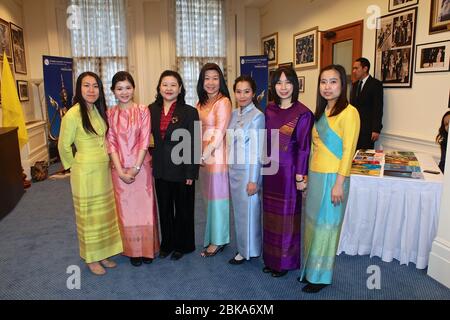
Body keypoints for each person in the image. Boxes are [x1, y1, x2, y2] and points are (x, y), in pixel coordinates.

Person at [299, 64, 360, 293]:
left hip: (335, 178)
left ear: (342, 85)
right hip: (316, 177)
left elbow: (348, 151)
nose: (327, 86)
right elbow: (314, 149)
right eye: (323, 82)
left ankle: (321, 277)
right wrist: (306, 178)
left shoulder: (350, 112)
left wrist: (339, 183)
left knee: (327, 227)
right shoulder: (321, 112)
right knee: (313, 225)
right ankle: (309, 269)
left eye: (333, 81)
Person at [58, 72, 123, 275]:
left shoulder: (97, 110)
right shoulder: (73, 114)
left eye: (95, 86)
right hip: (85, 172)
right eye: (86, 86)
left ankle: (103, 253)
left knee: (103, 214)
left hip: (102, 171)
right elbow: (63, 145)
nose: (91, 90)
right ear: (79, 89)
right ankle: (90, 258)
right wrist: (72, 166)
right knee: (88, 216)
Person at [262, 67, 314, 277]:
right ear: (273, 86)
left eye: (288, 82)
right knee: (270, 216)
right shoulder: (269, 110)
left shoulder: (303, 113)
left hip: (289, 172)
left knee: (287, 218)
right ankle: (271, 259)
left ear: (295, 85)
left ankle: (285, 262)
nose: (283, 87)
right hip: (269, 170)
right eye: (278, 83)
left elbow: (304, 148)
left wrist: (300, 176)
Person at [106, 71, 160, 267]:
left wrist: (136, 168)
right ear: (113, 91)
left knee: (145, 208)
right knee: (126, 210)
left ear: (134, 89)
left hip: (141, 167)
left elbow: (144, 140)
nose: (124, 92)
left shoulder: (142, 110)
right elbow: (110, 142)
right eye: (119, 88)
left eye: (128, 88)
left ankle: (147, 249)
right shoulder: (110, 113)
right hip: (119, 168)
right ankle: (133, 251)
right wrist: (120, 171)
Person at [149, 70, 200, 261]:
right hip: (161, 169)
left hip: (182, 169)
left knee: (184, 210)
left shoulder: (189, 112)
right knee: (164, 208)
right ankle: (167, 243)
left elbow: (194, 143)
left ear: (180, 88)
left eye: (173, 85)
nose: (168, 88)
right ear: (159, 87)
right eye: (165, 84)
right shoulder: (151, 110)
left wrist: (191, 172)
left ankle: (183, 245)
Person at [227, 75, 265, 265]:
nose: (242, 96)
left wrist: (253, 180)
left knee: (249, 212)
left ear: (253, 93)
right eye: (238, 91)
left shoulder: (257, 116)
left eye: (247, 91)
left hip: (248, 173)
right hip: (234, 170)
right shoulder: (234, 114)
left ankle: (249, 250)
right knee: (240, 214)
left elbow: (257, 152)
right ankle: (243, 247)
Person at [196, 63, 232, 257]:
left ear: (221, 81)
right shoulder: (200, 103)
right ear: (202, 81)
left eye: (215, 78)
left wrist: (203, 154)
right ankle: (216, 236)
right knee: (208, 200)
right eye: (207, 78)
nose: (211, 82)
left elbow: (219, 134)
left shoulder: (223, 102)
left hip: (216, 158)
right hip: (203, 160)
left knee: (218, 201)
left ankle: (218, 241)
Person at [350, 57, 383, 150]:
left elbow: (378, 108)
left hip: (367, 130)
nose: (354, 71)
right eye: (353, 68)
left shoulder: (376, 84)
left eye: (356, 68)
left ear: (365, 69)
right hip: (354, 128)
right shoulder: (354, 85)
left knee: (364, 159)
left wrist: (376, 129)